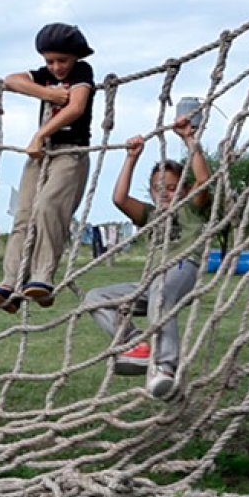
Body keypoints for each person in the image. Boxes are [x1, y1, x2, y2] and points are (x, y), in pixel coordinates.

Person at [84, 113, 212, 399]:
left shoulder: (191, 207)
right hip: (153, 282)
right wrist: (131, 158)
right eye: (158, 189)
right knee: (95, 297)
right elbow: (119, 199)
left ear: (184, 189)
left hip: (183, 267)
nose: (164, 194)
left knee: (161, 294)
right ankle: (136, 344)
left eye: (171, 188)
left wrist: (189, 139)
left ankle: (166, 367)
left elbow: (203, 179)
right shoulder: (151, 216)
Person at [0, 23, 95, 313]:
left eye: (62, 60)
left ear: (75, 58)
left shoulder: (82, 72)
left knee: (48, 207)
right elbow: (12, 80)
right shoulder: (47, 77)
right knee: (24, 215)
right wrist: (49, 94)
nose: (55, 67)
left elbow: (76, 106)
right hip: (41, 154)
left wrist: (40, 133)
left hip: (70, 152)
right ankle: (10, 284)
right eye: (49, 61)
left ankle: (42, 278)